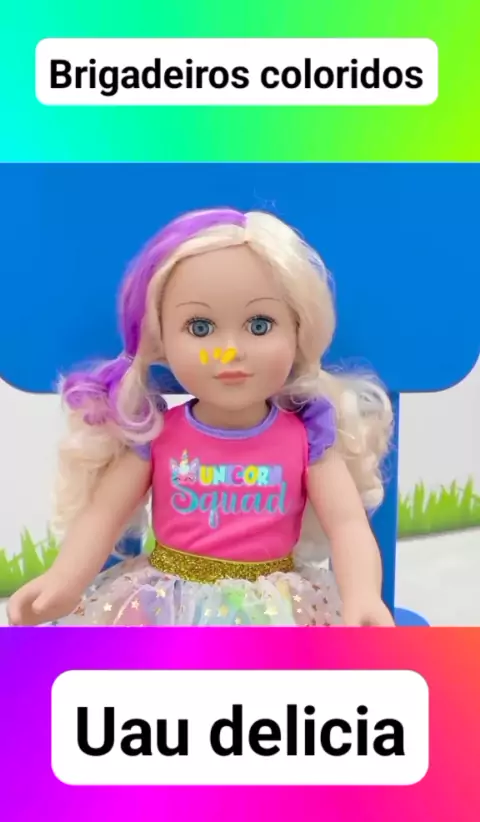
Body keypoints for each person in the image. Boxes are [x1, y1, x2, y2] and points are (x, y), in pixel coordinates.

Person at [7, 208, 394, 627]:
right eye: (200, 327)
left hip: (273, 611)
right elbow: (103, 515)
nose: (230, 351)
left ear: (298, 330)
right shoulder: (156, 434)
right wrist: (64, 580)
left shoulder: (308, 436)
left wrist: (362, 595)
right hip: (168, 604)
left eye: (260, 325)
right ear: (160, 337)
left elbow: (349, 525)